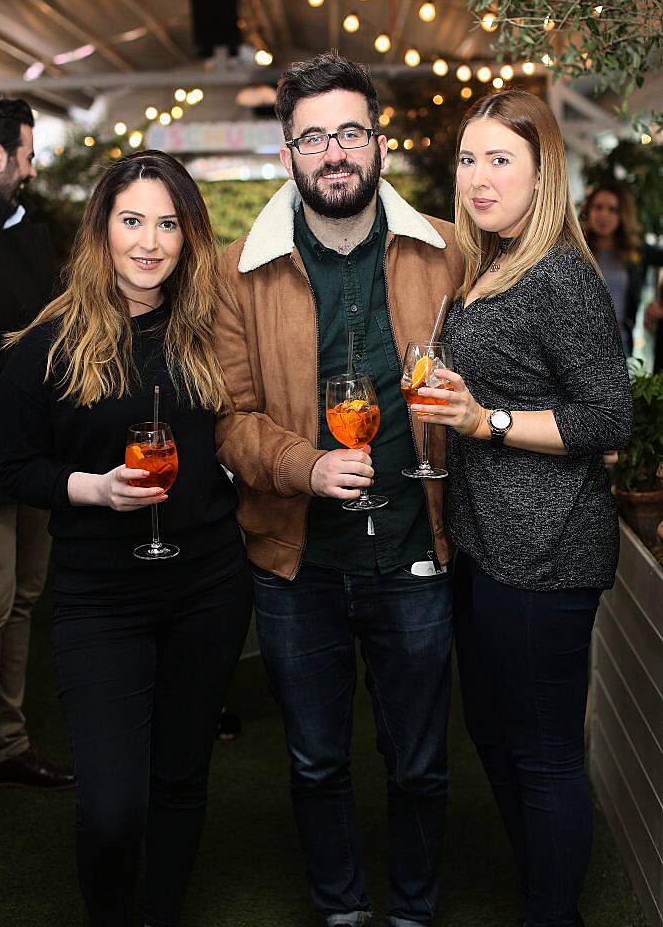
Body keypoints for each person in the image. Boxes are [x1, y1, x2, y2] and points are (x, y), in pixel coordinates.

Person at [214, 51, 464, 927]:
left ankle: (412, 910)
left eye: (348, 132)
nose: (332, 153)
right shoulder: (235, 270)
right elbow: (230, 418)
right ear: (287, 154)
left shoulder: (445, 251)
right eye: (312, 137)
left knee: (421, 764)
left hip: (413, 549)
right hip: (297, 559)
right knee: (316, 761)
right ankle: (343, 910)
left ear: (378, 145)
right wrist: (304, 465)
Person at [0, 151, 253, 926]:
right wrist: (94, 489)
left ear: (190, 235)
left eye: (168, 223)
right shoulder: (48, 346)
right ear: (101, 229)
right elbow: (16, 468)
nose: (150, 242)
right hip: (100, 597)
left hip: (207, 583)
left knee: (180, 778)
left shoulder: (210, 333)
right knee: (111, 806)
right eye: (132, 220)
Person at [410, 89, 632, 927]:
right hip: (486, 541)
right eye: (467, 158)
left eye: (499, 159)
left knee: (540, 756)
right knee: (494, 735)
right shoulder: (492, 264)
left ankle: (552, 914)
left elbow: (606, 416)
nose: (476, 177)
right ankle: (543, 889)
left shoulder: (560, 277)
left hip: (544, 553)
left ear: (543, 174)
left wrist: (484, 419)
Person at [0, 96, 73, 845]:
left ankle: (8, 748)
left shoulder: (28, 230)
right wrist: (32, 343)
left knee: (22, 602)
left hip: (35, 450)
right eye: (28, 153)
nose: (34, 167)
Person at [582, 181, 642, 354]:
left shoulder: (634, 254)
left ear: (621, 215)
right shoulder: (575, 251)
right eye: (598, 207)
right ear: (589, 210)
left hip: (617, 341)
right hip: (576, 341)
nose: (603, 215)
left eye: (612, 209)